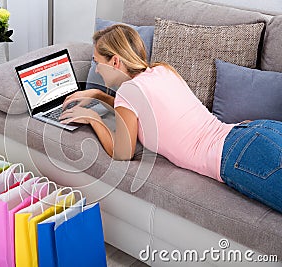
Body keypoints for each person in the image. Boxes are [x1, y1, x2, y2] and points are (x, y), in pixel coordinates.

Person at [59, 24, 282, 213]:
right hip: (253, 132)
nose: (96, 70)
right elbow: (135, 109)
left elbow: (123, 152)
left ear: (115, 62)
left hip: (238, 153)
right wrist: (98, 95)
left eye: (97, 62)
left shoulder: (128, 92)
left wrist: (92, 118)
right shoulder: (162, 70)